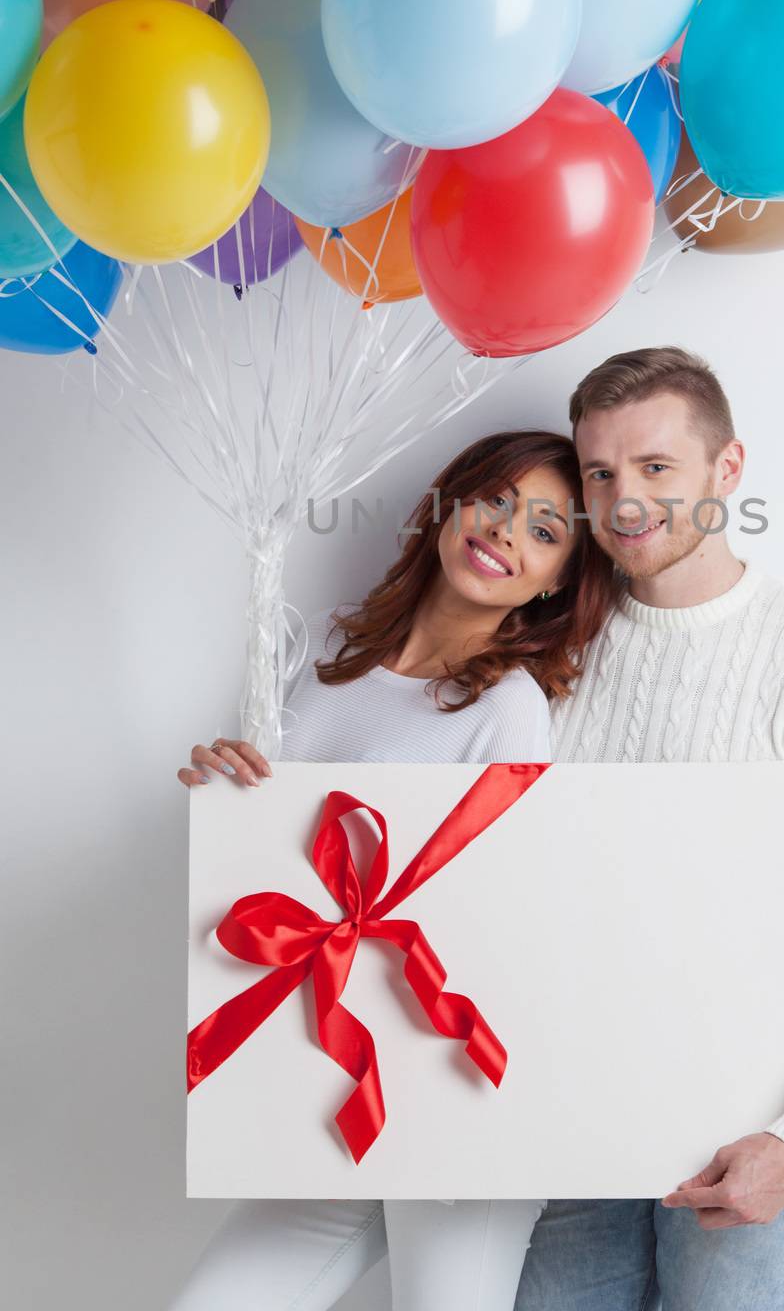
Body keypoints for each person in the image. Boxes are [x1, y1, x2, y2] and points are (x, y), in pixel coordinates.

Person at [513, 346, 784, 1311]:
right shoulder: (558, 647)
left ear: (725, 471)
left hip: (753, 1120)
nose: (624, 501)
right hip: (587, 1105)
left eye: (655, 468)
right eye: (600, 473)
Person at [168, 428, 617, 1311]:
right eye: (495, 500)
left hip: (451, 1088)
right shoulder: (327, 659)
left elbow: (501, 917)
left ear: (557, 579)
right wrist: (224, 792)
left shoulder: (509, 710)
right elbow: (276, 868)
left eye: (543, 530)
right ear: (450, 504)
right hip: (336, 1074)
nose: (504, 532)